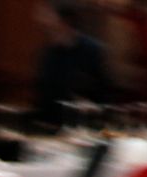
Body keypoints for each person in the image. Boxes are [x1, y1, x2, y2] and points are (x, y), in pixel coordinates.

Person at [34, 0, 113, 129]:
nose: (40, 19)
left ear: (64, 19)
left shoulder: (92, 51)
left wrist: (94, 106)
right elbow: (43, 100)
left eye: (47, 14)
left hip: (83, 130)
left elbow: (106, 97)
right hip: (49, 131)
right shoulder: (47, 54)